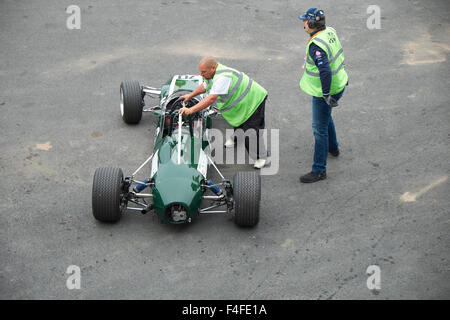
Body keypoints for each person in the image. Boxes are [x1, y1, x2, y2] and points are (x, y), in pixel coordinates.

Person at [179, 56, 269, 169]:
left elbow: (211, 99)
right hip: (242, 104)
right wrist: (190, 95)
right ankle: (237, 137)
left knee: (251, 132)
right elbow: (205, 86)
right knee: (239, 121)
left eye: (203, 72)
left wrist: (191, 110)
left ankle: (261, 157)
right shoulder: (211, 74)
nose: (201, 74)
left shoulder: (222, 78)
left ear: (213, 68)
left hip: (254, 101)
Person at [298, 8, 348, 183]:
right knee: (326, 117)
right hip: (340, 83)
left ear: (311, 24)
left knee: (319, 129)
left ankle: (319, 170)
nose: (303, 24)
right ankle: (333, 148)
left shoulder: (316, 45)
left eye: (305, 21)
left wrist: (326, 94)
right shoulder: (329, 31)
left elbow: (325, 70)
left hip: (325, 92)